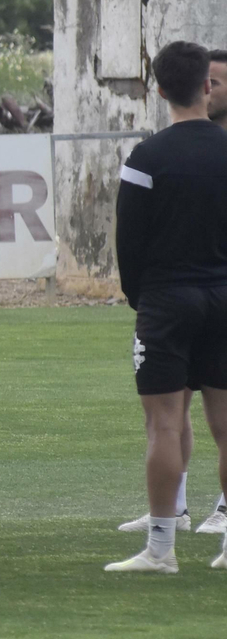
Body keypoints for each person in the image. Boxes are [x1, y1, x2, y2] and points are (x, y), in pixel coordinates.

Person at [106, 41, 227, 574]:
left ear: (158, 90)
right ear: (207, 85)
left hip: (166, 303)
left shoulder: (146, 157)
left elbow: (127, 242)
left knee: (164, 425)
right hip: (225, 298)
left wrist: (142, 298)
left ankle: (161, 548)